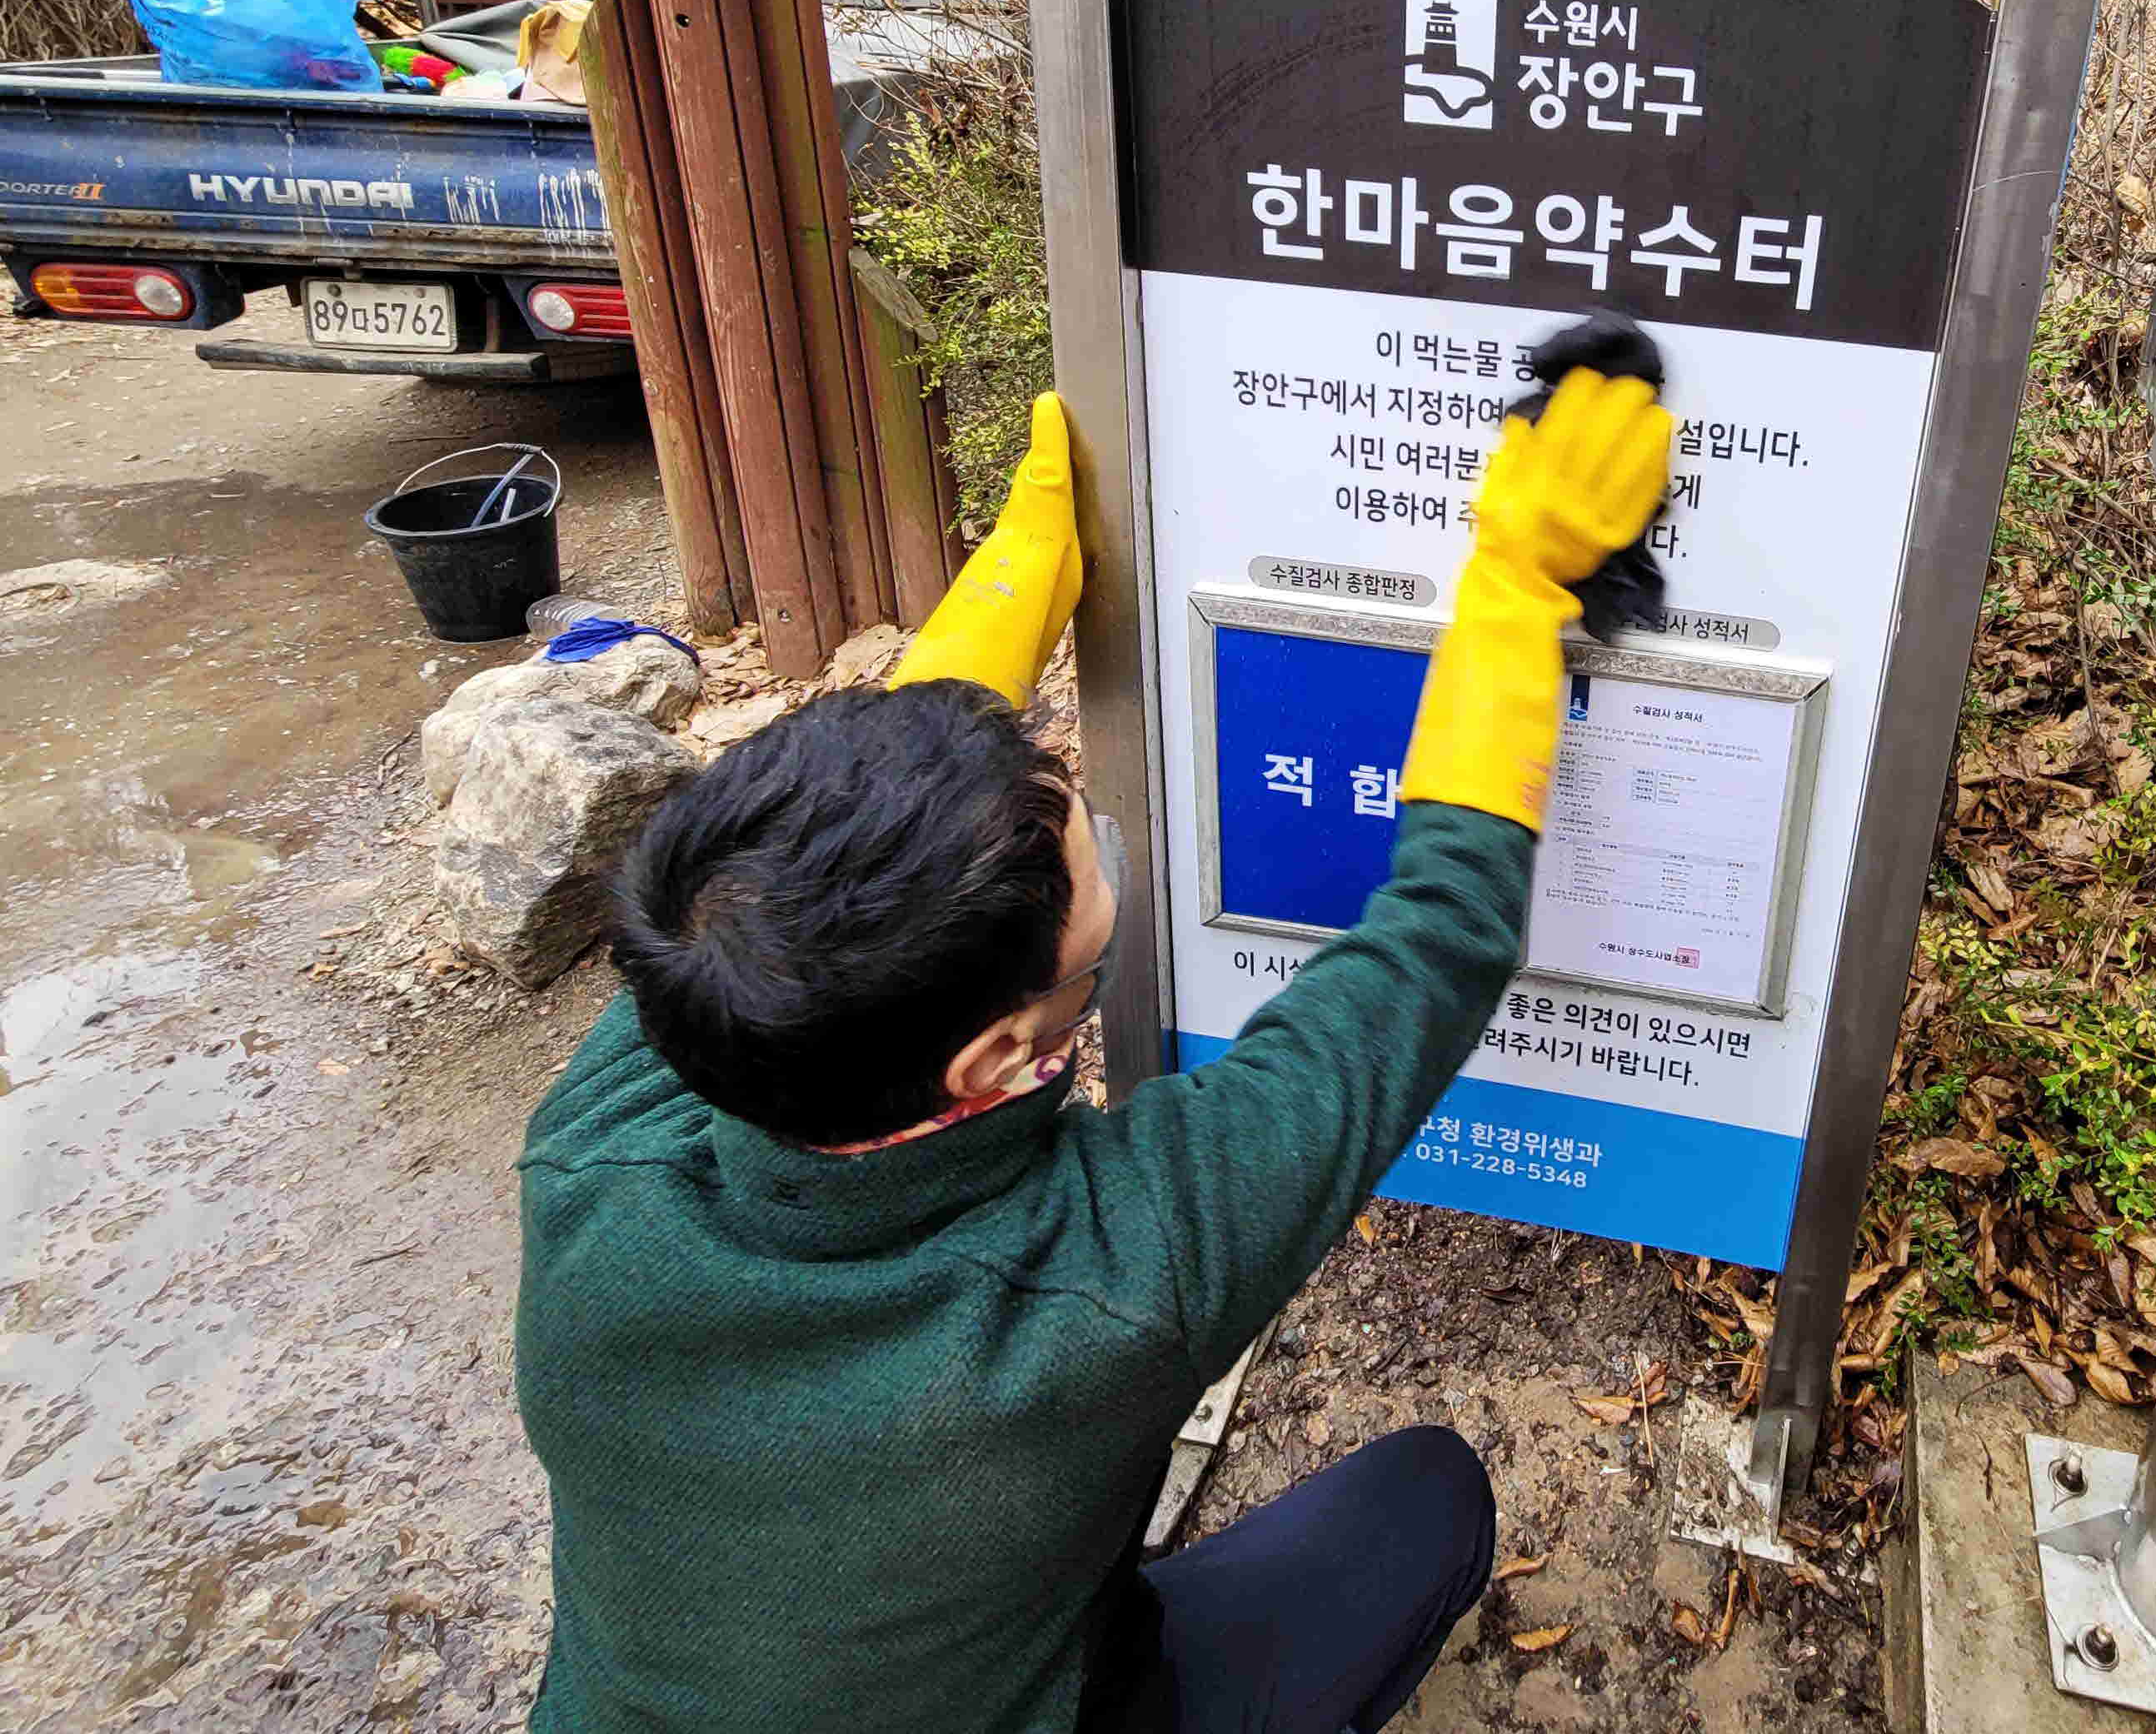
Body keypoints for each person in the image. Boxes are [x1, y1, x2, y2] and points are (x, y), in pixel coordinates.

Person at [512, 366, 1676, 1734]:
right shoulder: (1101, 1287)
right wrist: (1521, 584)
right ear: (999, 1057)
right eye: (1093, 901)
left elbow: (792, 890)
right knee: (1426, 1502)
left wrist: (1014, 584)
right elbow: (1436, 938)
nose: (1098, 867)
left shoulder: (609, 1137)